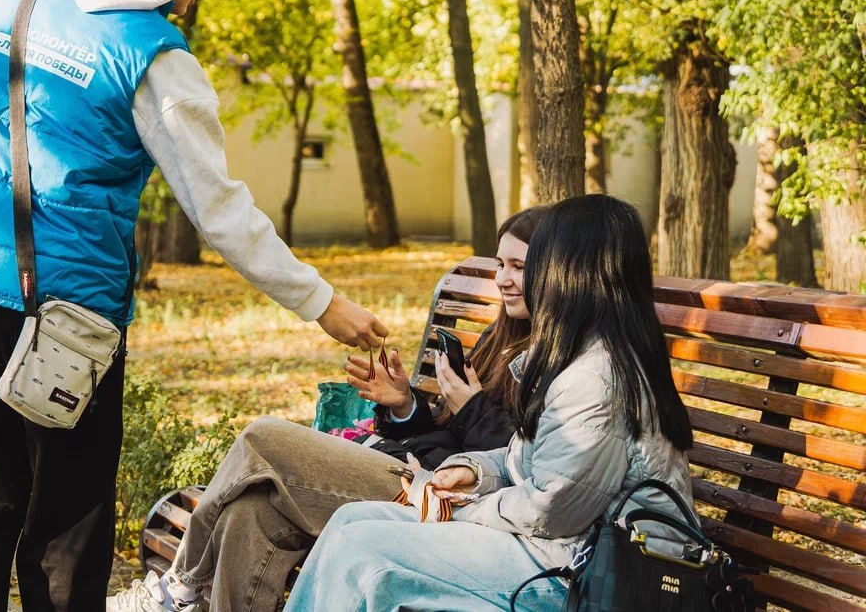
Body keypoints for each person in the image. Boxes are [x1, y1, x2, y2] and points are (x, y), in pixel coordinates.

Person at [0, 0, 388, 612]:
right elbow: (219, 210)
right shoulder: (156, 54)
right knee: (65, 531)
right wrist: (324, 304)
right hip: (69, 322)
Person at [108, 207, 549, 612]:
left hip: (447, 500)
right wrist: (404, 404)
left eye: (519, 267)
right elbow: (449, 432)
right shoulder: (502, 335)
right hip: (415, 469)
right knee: (253, 512)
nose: (503, 279)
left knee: (264, 439)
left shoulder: (558, 358)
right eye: (500, 264)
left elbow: (524, 463)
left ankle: (179, 585)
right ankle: (184, 592)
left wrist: (470, 408)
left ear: (554, 270)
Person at [284, 194, 696, 612]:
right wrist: (476, 471)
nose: (522, 276)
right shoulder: (580, 355)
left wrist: (470, 507)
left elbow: (552, 510)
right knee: (351, 520)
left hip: (580, 573)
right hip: (553, 546)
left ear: (573, 271)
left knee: (361, 544)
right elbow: (533, 460)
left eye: (536, 263)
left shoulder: (596, 376)